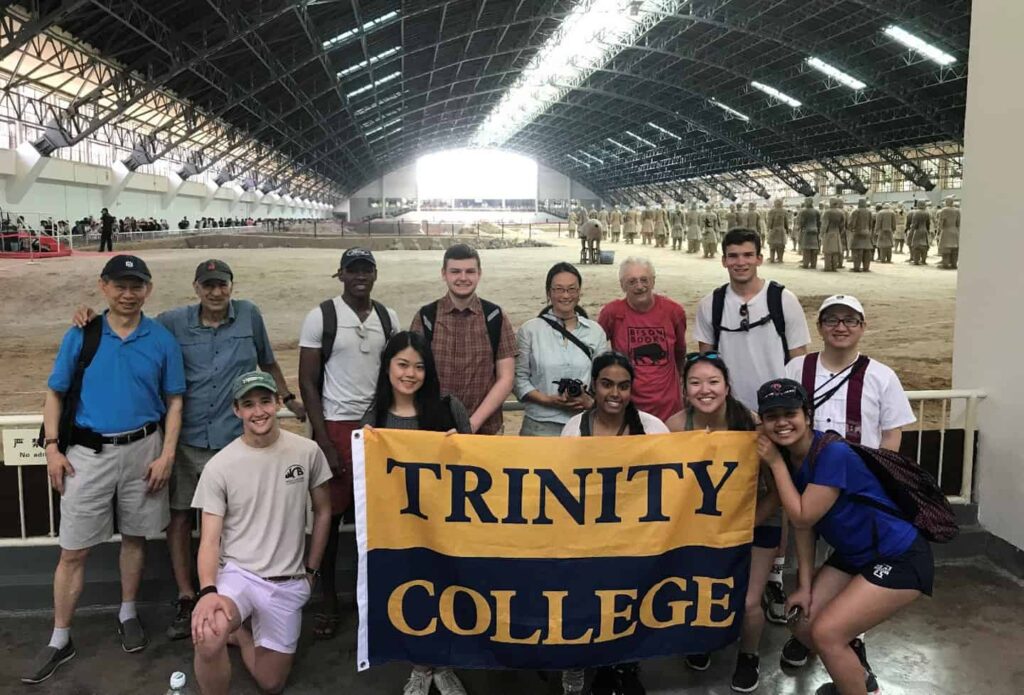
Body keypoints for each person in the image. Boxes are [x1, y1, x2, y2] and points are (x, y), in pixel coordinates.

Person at [72, 258, 307, 640]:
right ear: (196, 289)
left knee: (236, 518)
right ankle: (186, 596)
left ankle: (234, 594)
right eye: (208, 285)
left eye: (222, 285)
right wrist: (89, 318)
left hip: (234, 441)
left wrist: (290, 398)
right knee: (179, 518)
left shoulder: (250, 316)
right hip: (186, 442)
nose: (216, 292)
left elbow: (267, 361)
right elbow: (129, 322)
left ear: (232, 286)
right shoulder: (172, 322)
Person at [23, 255, 185, 685]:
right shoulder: (82, 334)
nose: (128, 294)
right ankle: (60, 638)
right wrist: (52, 449)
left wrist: (166, 454)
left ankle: (127, 612)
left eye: (136, 286)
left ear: (147, 290)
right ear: (103, 286)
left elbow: (174, 401)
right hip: (87, 455)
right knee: (73, 549)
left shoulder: (161, 339)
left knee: (135, 536)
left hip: (143, 448)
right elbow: (55, 394)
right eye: (119, 285)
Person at [756, 379, 932, 695]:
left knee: (826, 633)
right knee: (802, 623)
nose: (781, 422)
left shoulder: (831, 453)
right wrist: (805, 587)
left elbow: (801, 515)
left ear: (807, 415)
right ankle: (857, 680)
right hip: (855, 555)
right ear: (763, 422)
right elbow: (803, 529)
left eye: (789, 413)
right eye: (772, 416)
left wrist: (773, 463)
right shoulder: (793, 458)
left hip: (898, 555)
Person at [190, 371, 332, 695]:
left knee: (271, 684)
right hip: (238, 574)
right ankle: (231, 631)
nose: (259, 412)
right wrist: (208, 591)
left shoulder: (307, 452)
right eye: (249, 404)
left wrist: (311, 571)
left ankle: (240, 634)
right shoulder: (220, 466)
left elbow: (323, 510)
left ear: (278, 402)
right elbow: (209, 540)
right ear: (236, 410)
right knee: (208, 637)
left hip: (287, 581)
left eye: (266, 401)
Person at [695, 227, 810, 622]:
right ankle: (730, 568)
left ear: (760, 257)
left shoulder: (783, 300)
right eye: (733, 255)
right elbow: (704, 365)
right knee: (727, 494)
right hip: (730, 422)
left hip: (775, 420)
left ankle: (774, 574)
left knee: (777, 495)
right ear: (723, 259)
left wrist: (787, 417)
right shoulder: (711, 305)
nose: (740, 262)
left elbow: (798, 361)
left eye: (747, 254)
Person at [362, 332, 472, 695]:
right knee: (410, 594)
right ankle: (421, 666)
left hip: (443, 526)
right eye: (403, 364)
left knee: (447, 590)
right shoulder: (374, 417)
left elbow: (475, 468)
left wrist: (458, 449)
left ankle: (443, 663)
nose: (410, 374)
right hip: (397, 528)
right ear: (388, 367)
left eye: (419, 366)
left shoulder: (447, 407)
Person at [298, 247, 398, 639]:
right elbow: (307, 380)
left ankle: (371, 599)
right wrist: (323, 439)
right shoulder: (321, 317)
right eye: (353, 270)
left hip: (375, 429)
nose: (361, 276)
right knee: (331, 517)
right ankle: (328, 599)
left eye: (367, 270)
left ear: (375, 275)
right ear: (340, 274)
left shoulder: (388, 318)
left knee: (376, 522)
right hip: (336, 427)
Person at [666, 353, 780, 692]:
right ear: (685, 389)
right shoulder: (675, 426)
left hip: (757, 522)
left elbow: (775, 492)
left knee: (747, 601)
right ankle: (704, 640)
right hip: (704, 526)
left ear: (727, 386)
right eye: (696, 383)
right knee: (699, 589)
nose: (705, 390)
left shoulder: (752, 424)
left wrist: (744, 528)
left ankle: (749, 655)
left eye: (713, 382)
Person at [561, 352, 668, 695]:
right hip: (586, 537)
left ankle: (625, 664)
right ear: (593, 384)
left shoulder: (652, 428)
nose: (615, 393)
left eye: (623, 386)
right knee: (587, 601)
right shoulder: (575, 429)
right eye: (607, 384)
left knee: (630, 602)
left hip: (636, 537)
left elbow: (675, 479)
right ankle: (587, 663)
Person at [410, 243, 516, 434]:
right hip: (434, 430)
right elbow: (413, 375)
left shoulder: (496, 317)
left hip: (486, 431)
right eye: (455, 271)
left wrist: (471, 424)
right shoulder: (426, 317)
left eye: (470, 271)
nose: (463, 278)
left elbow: (506, 378)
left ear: (479, 273)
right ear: (444, 274)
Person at [786, 295, 915, 451]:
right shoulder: (796, 368)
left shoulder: (882, 376)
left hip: (860, 472)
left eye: (850, 320)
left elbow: (891, 434)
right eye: (831, 320)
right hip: (804, 472)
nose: (840, 328)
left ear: (862, 327)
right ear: (819, 327)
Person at [515, 263, 608, 436]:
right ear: (549, 292)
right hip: (539, 425)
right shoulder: (530, 331)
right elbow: (519, 379)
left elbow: (603, 378)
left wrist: (588, 401)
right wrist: (547, 400)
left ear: (579, 292)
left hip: (583, 424)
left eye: (572, 289)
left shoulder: (596, 332)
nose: (566, 295)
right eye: (558, 289)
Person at [597, 257, 687, 422]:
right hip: (627, 407)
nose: (639, 286)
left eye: (644, 280)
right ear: (622, 285)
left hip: (668, 407)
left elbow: (680, 352)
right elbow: (596, 353)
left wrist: (680, 381)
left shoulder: (673, 311)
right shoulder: (612, 313)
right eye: (632, 281)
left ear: (653, 281)